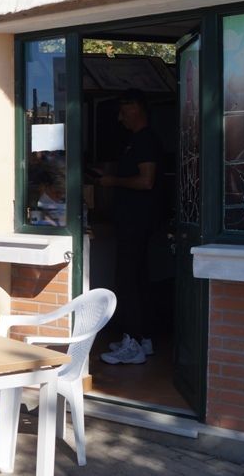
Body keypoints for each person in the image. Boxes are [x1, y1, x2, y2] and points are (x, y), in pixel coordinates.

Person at [97, 90, 162, 365]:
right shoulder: (135, 141)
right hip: (133, 222)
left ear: (137, 109)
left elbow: (147, 181)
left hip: (137, 223)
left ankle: (132, 343)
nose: (120, 117)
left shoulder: (145, 140)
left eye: (124, 110)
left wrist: (112, 181)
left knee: (128, 281)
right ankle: (143, 339)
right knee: (138, 279)